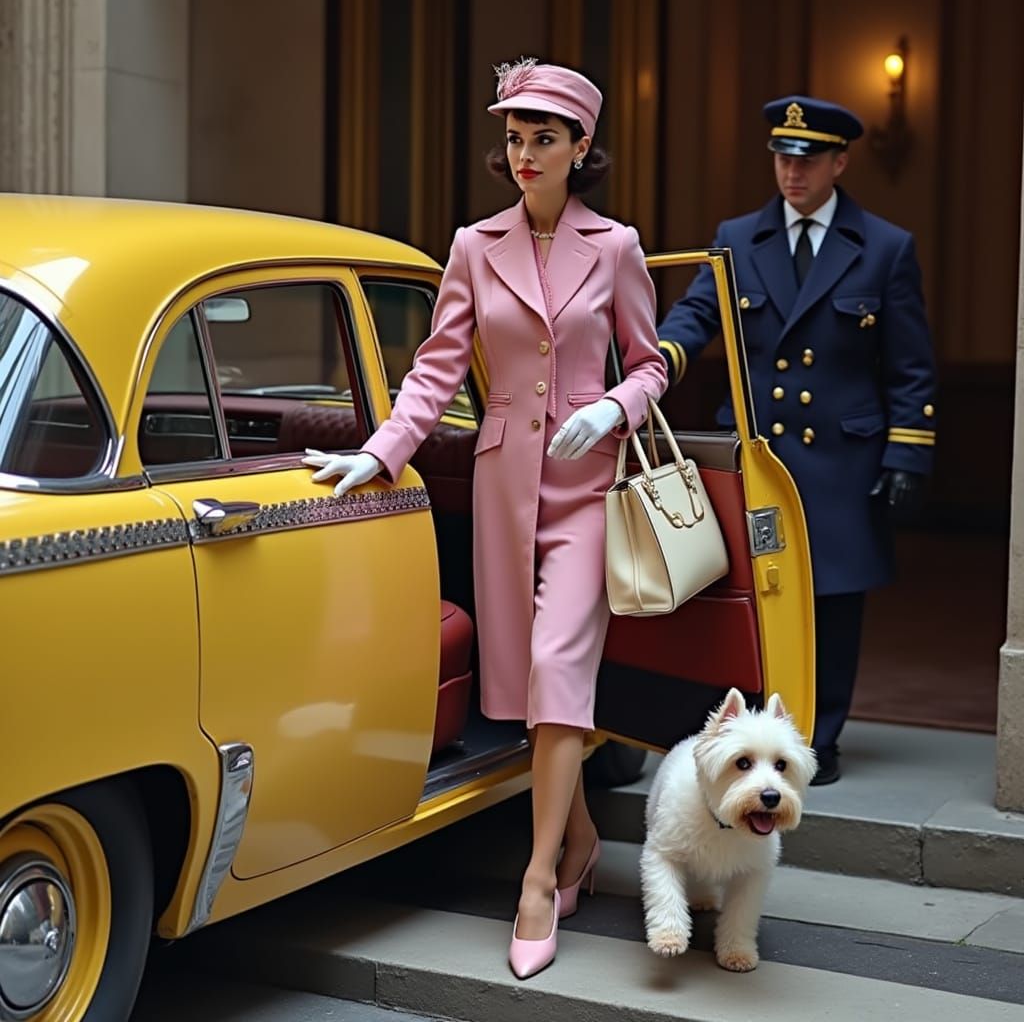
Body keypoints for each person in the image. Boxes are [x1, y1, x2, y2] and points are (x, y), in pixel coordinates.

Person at [303, 58, 667, 977]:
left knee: (556, 669)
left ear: (582, 148)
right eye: (514, 138)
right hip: (505, 487)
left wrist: (613, 407)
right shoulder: (473, 244)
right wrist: (380, 450)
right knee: (531, 693)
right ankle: (580, 837)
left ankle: (539, 876)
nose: (525, 155)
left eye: (545, 138)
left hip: (587, 489)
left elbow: (653, 364)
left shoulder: (616, 246)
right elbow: (434, 368)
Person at [657, 96, 937, 786]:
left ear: (839, 163)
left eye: (807, 160)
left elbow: (910, 364)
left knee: (835, 603)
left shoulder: (884, 247)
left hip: (842, 457)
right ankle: (747, 736)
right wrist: (657, 358)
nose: (792, 172)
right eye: (783, 158)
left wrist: (907, 451)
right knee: (752, 596)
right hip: (758, 455)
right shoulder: (737, 237)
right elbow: (697, 314)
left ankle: (821, 736)